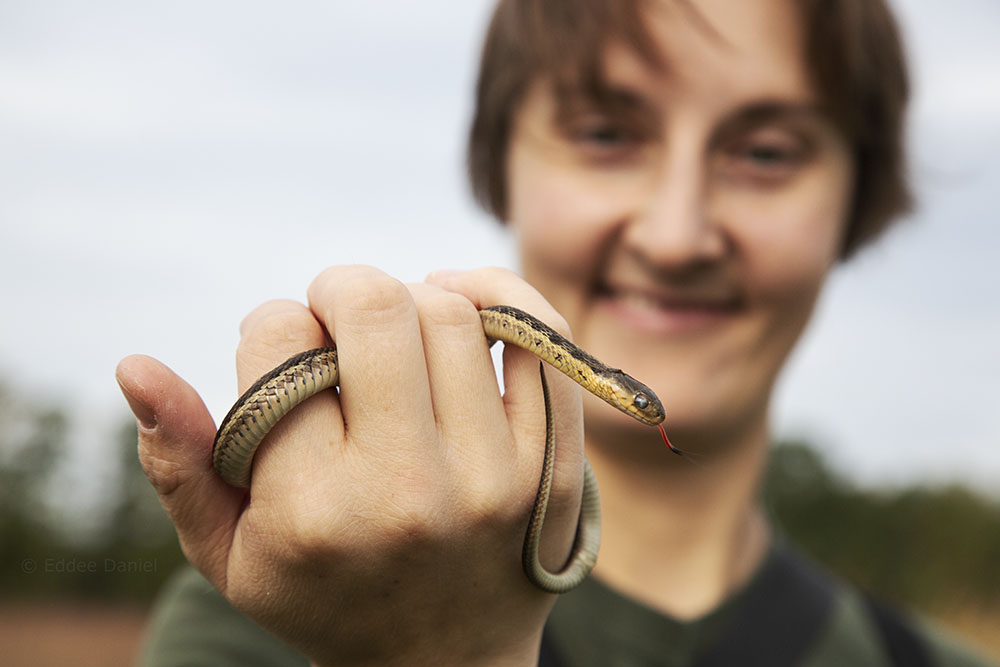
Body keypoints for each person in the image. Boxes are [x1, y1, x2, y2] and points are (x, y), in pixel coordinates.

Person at [115, 0, 995, 665]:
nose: (675, 235)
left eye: (767, 151)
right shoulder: (288, 603)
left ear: (858, 200)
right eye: (606, 133)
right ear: (500, 164)